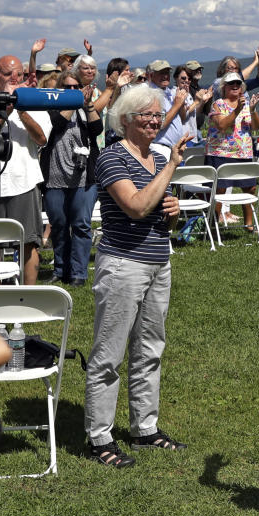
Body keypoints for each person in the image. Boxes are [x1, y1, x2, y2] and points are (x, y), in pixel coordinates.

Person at [84, 85, 188, 468]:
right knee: (109, 354)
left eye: (158, 115)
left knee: (150, 349)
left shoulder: (158, 160)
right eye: (147, 114)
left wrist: (174, 212)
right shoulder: (112, 158)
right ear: (125, 119)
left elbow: (161, 213)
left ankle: (145, 429)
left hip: (159, 262)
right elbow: (137, 207)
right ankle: (99, 438)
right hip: (123, 266)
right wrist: (173, 167)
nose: (155, 120)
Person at [40, 70, 104, 287]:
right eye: (67, 88)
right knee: (58, 224)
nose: (73, 91)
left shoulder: (86, 107)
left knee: (81, 225)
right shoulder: (50, 108)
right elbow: (55, 126)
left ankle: (78, 272)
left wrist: (87, 105)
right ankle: (60, 268)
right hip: (54, 176)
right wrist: (72, 103)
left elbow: (97, 128)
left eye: (76, 87)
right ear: (60, 89)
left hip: (84, 177)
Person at [0, 55, 51, 284]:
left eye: (17, 74)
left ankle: (29, 296)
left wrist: (21, 111)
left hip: (23, 182)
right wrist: (3, 113)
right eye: (7, 74)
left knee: (28, 242)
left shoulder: (33, 103)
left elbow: (41, 139)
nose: (13, 79)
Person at [205, 72, 259, 231]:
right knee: (220, 190)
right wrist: (237, 110)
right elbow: (222, 125)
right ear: (224, 88)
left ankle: (249, 224)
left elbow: (256, 126)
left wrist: (252, 109)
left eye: (238, 83)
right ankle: (213, 224)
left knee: (249, 187)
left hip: (243, 153)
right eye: (232, 84)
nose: (235, 86)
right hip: (220, 153)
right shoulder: (217, 104)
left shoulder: (246, 104)